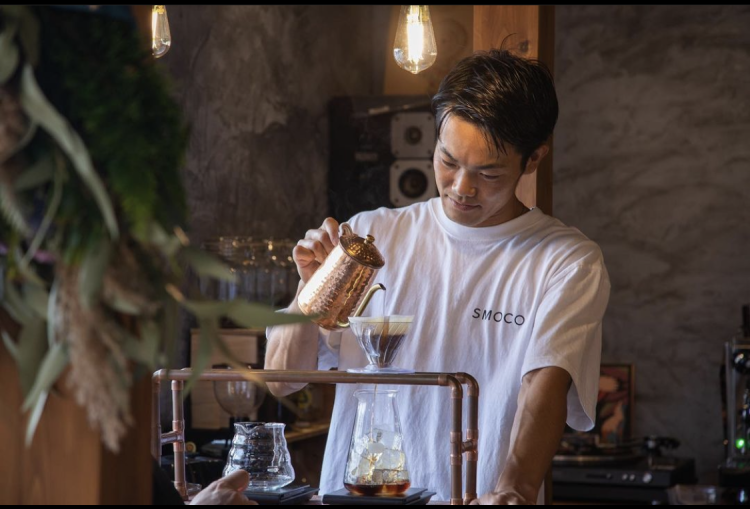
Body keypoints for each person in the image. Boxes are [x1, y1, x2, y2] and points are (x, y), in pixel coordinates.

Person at [265, 48, 611, 505]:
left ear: (533, 159)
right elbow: (280, 380)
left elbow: (543, 385)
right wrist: (310, 292)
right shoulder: (370, 237)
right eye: (448, 161)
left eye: (488, 173)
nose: (461, 188)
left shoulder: (566, 261)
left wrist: (515, 487)